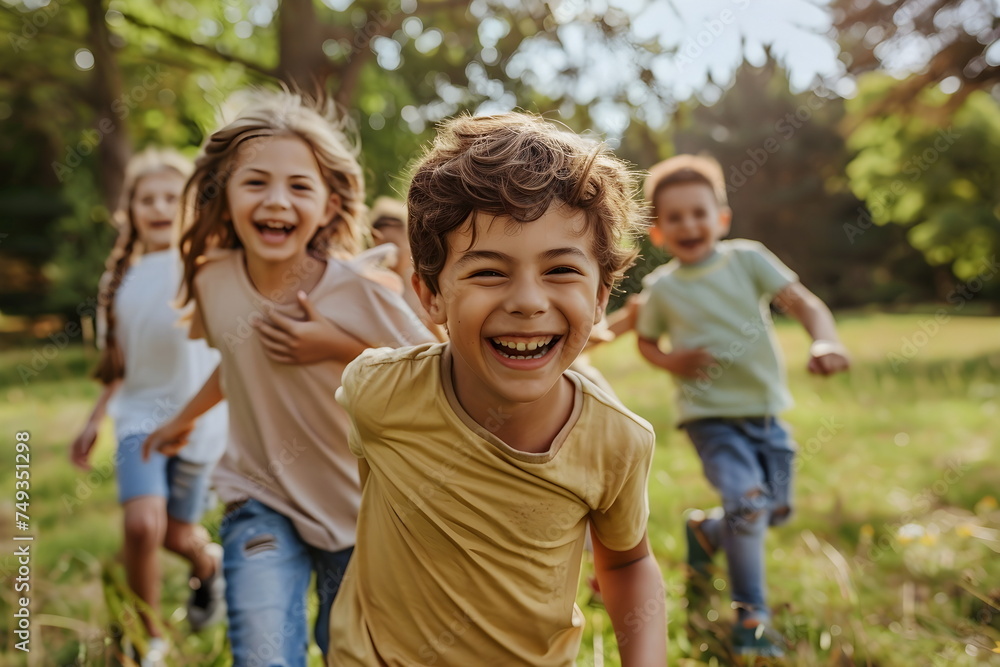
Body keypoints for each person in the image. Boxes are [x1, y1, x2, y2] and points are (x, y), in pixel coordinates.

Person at [329, 113, 667, 666]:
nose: (528, 301)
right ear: (431, 295)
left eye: (561, 270)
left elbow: (628, 563)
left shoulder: (618, 442)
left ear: (603, 295)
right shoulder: (377, 392)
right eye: (488, 272)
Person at [142, 89, 435, 666]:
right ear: (223, 196)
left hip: (360, 514)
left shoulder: (356, 291)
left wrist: (336, 345)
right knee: (262, 654)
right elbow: (238, 363)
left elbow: (434, 374)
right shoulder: (213, 280)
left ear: (328, 205)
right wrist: (180, 421)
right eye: (255, 182)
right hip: (259, 497)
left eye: (299, 186)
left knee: (348, 653)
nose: (277, 200)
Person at [635, 153, 850, 657]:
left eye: (699, 212)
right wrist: (672, 361)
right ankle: (752, 617)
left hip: (766, 414)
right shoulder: (661, 289)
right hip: (709, 419)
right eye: (675, 217)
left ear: (721, 218)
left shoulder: (747, 259)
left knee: (771, 510)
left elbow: (804, 303)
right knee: (749, 505)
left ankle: (707, 533)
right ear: (658, 232)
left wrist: (824, 341)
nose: (689, 224)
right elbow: (646, 344)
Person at [69, 148, 228, 666]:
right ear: (129, 209)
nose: (159, 207)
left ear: (188, 205)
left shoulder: (207, 265)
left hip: (200, 425)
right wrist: (95, 421)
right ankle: (147, 640)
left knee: (178, 533)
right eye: (146, 199)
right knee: (141, 526)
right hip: (139, 418)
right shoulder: (118, 283)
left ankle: (209, 563)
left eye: (170, 197)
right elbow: (119, 367)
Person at [365, 195, 447, 341]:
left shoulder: (423, 290)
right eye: (378, 246)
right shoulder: (368, 289)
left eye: (393, 244)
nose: (386, 253)